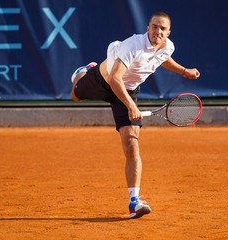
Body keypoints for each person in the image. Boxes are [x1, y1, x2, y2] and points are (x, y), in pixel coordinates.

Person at [70, 11, 200, 219]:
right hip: (104, 80)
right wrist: (131, 106)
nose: (158, 31)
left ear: (168, 32)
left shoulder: (168, 46)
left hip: (128, 89)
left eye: (162, 28)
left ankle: (134, 202)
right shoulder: (133, 45)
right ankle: (84, 71)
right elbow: (115, 79)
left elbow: (163, 59)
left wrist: (183, 71)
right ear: (147, 28)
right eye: (154, 26)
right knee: (75, 95)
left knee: (131, 144)